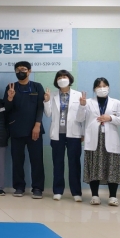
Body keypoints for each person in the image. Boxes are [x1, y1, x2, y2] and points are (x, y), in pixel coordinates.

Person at [77, 78, 120, 206]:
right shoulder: (88, 102)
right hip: (94, 138)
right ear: (94, 89)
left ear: (108, 87)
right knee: (94, 167)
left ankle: (113, 197)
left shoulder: (116, 103)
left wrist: (110, 118)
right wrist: (82, 106)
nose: (102, 88)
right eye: (99, 86)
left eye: (104, 86)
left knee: (112, 167)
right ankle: (95, 196)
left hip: (110, 138)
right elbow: (80, 118)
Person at [4, 61, 45, 199]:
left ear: (29, 71)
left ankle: (37, 188)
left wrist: (37, 125)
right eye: (18, 70)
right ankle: (19, 187)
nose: (20, 72)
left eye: (23, 69)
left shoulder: (37, 86)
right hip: (16, 129)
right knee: (17, 160)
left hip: (35, 130)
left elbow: (40, 107)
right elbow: (6, 109)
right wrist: (10, 98)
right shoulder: (11, 87)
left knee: (37, 160)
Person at [43, 70, 84, 201]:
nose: (62, 79)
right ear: (56, 81)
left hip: (74, 134)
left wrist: (83, 106)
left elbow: (82, 117)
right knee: (58, 163)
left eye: (64, 76)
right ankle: (58, 191)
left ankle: (76, 192)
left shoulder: (78, 95)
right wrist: (46, 101)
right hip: (57, 134)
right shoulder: (52, 95)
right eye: (59, 77)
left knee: (74, 164)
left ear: (69, 79)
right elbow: (48, 114)